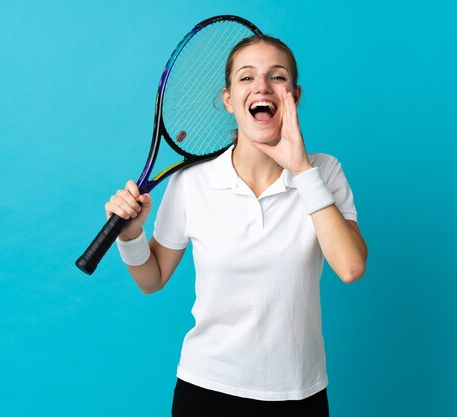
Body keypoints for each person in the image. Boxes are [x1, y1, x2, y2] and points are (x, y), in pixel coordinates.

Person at [106, 35, 368, 417]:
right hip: (207, 390)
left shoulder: (323, 171)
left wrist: (301, 169)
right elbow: (153, 278)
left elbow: (350, 267)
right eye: (246, 78)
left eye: (276, 77)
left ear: (293, 95)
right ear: (228, 99)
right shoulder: (192, 181)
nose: (262, 86)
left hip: (299, 393)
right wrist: (130, 236)